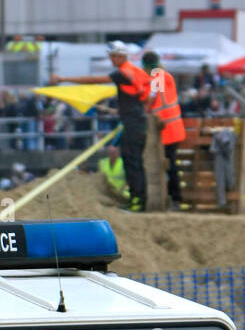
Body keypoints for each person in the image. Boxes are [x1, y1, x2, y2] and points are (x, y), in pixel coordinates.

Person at [53, 41, 151, 211]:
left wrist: (64, 79)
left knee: (131, 161)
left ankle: (137, 201)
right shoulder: (137, 71)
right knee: (135, 161)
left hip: (132, 122)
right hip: (137, 119)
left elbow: (94, 80)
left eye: (113, 57)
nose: (112, 60)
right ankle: (139, 199)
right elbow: (143, 95)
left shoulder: (123, 72)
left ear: (121, 56)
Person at [142, 49, 185, 208]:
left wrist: (146, 109)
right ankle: (173, 199)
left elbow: (153, 98)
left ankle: (176, 199)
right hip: (171, 128)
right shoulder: (164, 75)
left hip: (167, 129)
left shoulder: (158, 76)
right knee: (169, 164)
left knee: (169, 165)